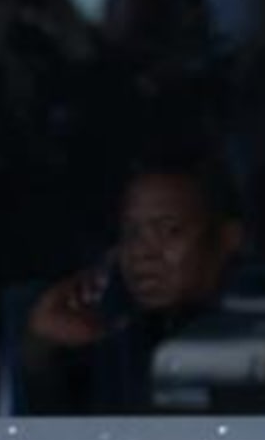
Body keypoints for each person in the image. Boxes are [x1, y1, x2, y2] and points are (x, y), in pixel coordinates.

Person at [20, 164, 245, 413]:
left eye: (170, 231)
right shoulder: (122, 338)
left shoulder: (264, 334)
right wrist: (40, 352)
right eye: (131, 233)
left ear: (228, 238)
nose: (142, 252)